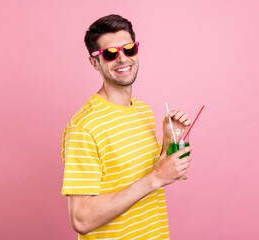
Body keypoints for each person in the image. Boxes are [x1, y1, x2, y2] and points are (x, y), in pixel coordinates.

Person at [61, 14, 193, 240]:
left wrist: (169, 140)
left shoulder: (142, 110)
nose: (123, 59)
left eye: (129, 49)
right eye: (110, 54)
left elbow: (149, 174)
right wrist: (155, 179)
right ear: (95, 62)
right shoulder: (84, 127)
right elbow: (81, 219)